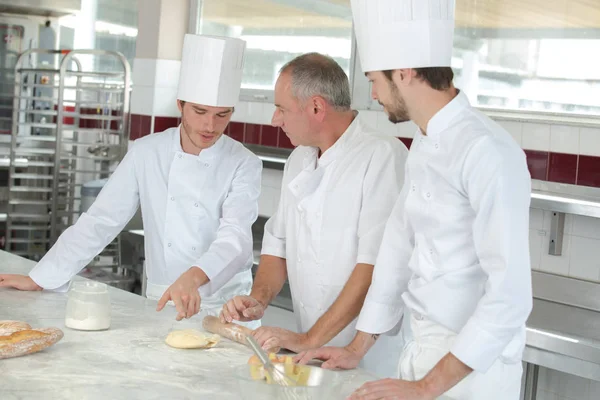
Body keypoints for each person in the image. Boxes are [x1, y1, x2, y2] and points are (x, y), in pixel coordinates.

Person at [296, 1, 533, 399]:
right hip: (419, 354)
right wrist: (358, 347)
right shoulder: (424, 140)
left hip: (473, 375)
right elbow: (397, 247)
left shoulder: (488, 151)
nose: (373, 94)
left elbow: (510, 296)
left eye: (375, 80)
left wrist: (427, 386)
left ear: (404, 72)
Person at [0, 34, 262, 328]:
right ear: (180, 104)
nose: (209, 125)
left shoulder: (244, 163)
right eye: (200, 111)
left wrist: (195, 275)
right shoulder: (146, 152)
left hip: (228, 308)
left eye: (221, 115)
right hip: (166, 300)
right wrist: (41, 277)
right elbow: (102, 219)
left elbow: (236, 239)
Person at [220, 53, 409, 377]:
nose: (274, 120)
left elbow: (374, 268)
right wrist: (259, 299)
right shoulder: (299, 159)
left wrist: (309, 338)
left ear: (317, 108)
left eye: (281, 108)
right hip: (312, 353)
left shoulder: (381, 157)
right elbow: (278, 244)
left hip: (370, 360)